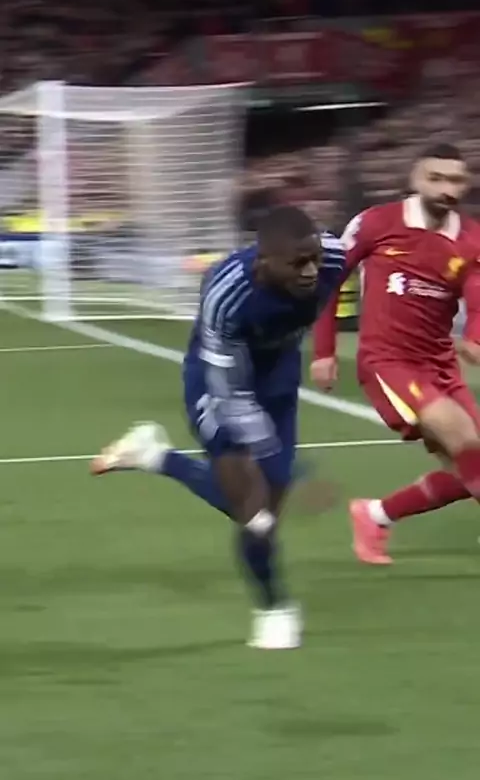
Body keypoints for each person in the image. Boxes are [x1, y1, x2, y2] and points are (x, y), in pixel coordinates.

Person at [91, 205, 346, 649]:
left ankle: (156, 455)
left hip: (278, 381)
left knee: (262, 507)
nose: (311, 271)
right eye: (298, 263)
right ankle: (274, 608)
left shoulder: (334, 257)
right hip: (218, 383)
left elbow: (365, 245)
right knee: (254, 513)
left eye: (314, 259)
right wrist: (280, 459)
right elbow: (231, 393)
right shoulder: (227, 296)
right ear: (264, 261)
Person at [311, 143, 480, 565]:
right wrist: (324, 350)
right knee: (462, 437)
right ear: (415, 179)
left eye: (455, 180)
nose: (446, 189)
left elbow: (478, 299)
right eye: (435, 178)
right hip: (388, 361)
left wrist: (475, 337)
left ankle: (375, 515)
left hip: (441, 364)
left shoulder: (472, 238)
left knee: (468, 468)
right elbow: (330, 280)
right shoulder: (376, 222)